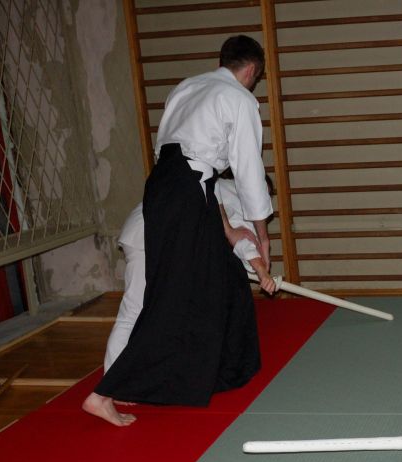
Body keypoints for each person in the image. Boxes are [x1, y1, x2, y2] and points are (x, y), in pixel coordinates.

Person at [83, 35, 272, 426]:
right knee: (171, 296)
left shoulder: (186, 87)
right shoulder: (239, 99)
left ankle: (218, 372)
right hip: (186, 190)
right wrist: (263, 235)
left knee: (226, 279)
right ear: (252, 71)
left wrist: (228, 230)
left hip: (165, 186)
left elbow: (186, 163)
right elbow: (248, 171)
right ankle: (103, 394)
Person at [102, 174, 276, 373]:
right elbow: (244, 244)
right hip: (149, 236)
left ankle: (149, 368)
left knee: (169, 307)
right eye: (262, 194)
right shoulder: (234, 196)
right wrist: (262, 272)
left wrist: (259, 269)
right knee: (134, 311)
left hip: (153, 232)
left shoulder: (219, 184)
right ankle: (111, 379)